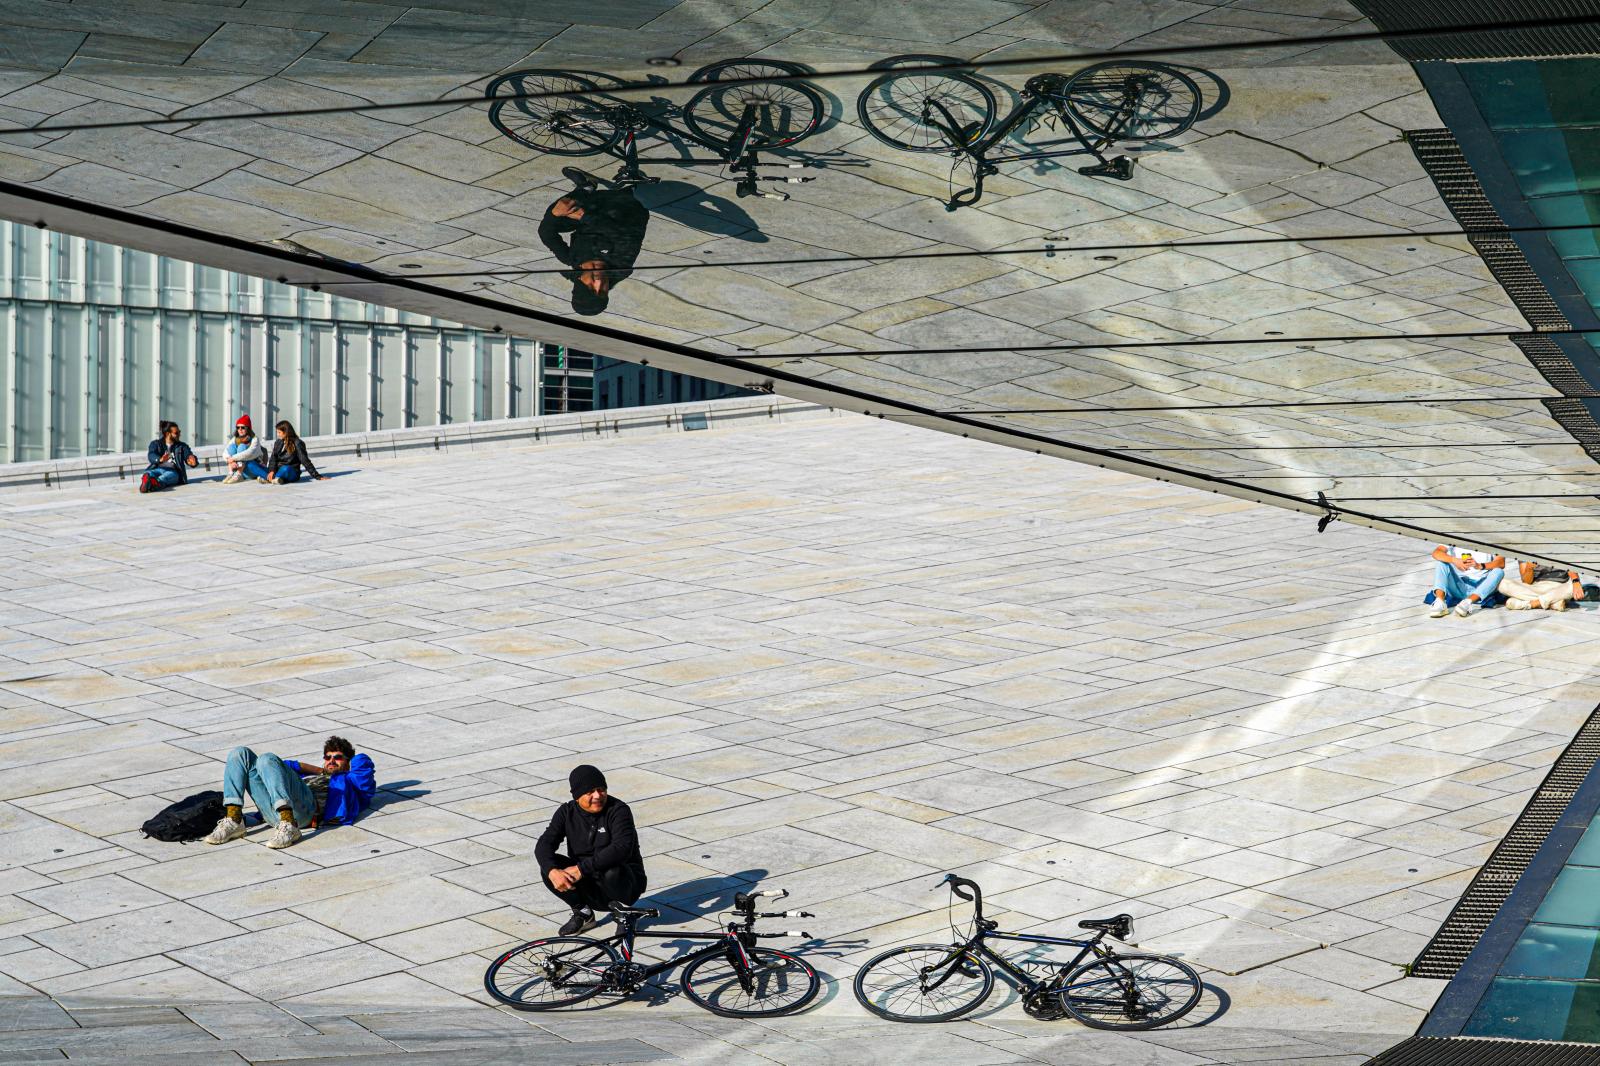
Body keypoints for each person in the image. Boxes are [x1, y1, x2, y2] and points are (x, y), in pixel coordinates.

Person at [204, 736, 375, 850]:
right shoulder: (315, 774)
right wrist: (320, 771)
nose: (331, 761)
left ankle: (290, 824)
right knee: (240, 753)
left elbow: (363, 763)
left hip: (306, 813)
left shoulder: (352, 781)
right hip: (273, 814)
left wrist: (342, 767)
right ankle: (234, 819)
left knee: (267, 758)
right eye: (327, 757)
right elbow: (281, 765)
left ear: (348, 761)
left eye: (337, 757)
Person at [535, 765, 647, 935]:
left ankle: (624, 914)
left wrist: (581, 869)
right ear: (577, 795)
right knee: (549, 867)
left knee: (612, 868)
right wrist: (552, 870)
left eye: (601, 790)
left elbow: (621, 848)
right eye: (590, 792)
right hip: (590, 882)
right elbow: (544, 844)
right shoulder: (566, 812)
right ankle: (583, 913)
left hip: (624, 882)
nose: (597, 796)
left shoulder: (618, 810)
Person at [538, 171, 650, 316]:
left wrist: (555, 214)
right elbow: (623, 231)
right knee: (615, 216)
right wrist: (583, 216)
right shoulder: (621, 265)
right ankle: (630, 185)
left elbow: (546, 234)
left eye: (591, 287)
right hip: (625, 206)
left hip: (593, 209)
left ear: (579, 281)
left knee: (555, 215)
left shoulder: (571, 259)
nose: (599, 283)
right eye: (603, 291)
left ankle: (586, 187)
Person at [1428, 545, 1504, 618]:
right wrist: (1455, 560)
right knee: (1441, 562)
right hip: (1459, 585)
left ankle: (1468, 602)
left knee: (1499, 571)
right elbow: (1436, 552)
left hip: (1482, 585)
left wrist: (1480, 566)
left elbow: (1501, 562)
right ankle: (1440, 602)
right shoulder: (1454, 534)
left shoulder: (1490, 537)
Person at [1500, 561, 1589, 612]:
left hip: (1558, 586)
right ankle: (1552, 602)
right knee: (1503, 584)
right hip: (1537, 587)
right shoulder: (1524, 548)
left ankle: (1531, 604)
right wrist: (1529, 568)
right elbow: (1526, 581)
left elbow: (1570, 564)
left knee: (1571, 587)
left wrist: (1576, 581)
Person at [138, 421, 198, 493]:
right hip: (157, 469)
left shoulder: (182, 446)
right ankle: (148, 481)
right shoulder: (155, 444)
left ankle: (153, 483)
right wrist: (160, 459)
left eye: (179, 432)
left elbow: (188, 455)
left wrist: (192, 461)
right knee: (149, 473)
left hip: (173, 471)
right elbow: (151, 455)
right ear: (168, 434)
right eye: (176, 433)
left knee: (168, 476)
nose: (179, 434)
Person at [263, 420, 327, 485]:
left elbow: (305, 460)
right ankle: (275, 478)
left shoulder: (297, 443)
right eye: (277, 432)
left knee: (285, 468)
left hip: (291, 472)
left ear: (286, 432)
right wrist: (271, 471)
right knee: (252, 465)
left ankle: (268, 478)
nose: (277, 435)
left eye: (279, 432)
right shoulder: (278, 442)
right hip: (277, 470)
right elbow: (273, 459)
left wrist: (317, 476)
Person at [223, 414, 268, 484]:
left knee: (242, 447)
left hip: (252, 470)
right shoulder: (235, 439)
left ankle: (239, 473)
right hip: (239, 469)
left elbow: (249, 453)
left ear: (248, 428)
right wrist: (231, 462)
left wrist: (233, 458)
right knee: (231, 447)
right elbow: (225, 452)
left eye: (243, 427)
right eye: (238, 427)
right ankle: (231, 473)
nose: (240, 429)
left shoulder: (255, 439)